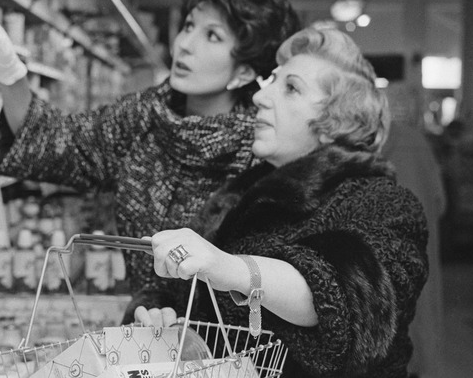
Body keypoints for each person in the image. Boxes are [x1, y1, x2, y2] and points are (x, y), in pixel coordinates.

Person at [0, 0, 300, 295]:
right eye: (189, 26)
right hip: (145, 324)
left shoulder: (262, 149)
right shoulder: (142, 118)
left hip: (227, 332)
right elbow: (55, 142)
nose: (185, 44)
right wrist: (9, 73)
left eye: (212, 35)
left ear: (243, 72)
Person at [134, 28, 429, 377]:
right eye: (271, 80)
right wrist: (166, 317)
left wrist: (230, 268)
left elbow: (349, 298)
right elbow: (187, 298)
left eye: (291, 88)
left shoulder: (384, 203)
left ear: (337, 122)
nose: (261, 96)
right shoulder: (242, 194)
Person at [382, 123, 446, 378]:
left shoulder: (371, 142)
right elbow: (440, 202)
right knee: (422, 321)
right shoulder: (418, 141)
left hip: (386, 261)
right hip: (422, 251)